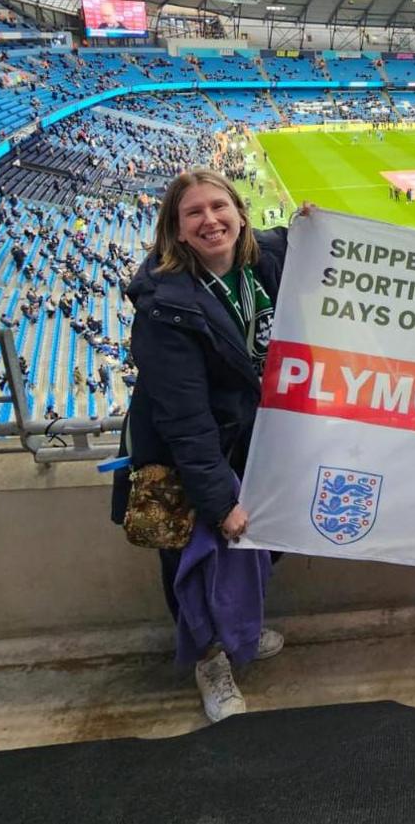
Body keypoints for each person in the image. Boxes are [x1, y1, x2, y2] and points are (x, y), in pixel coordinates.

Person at [111, 169, 291, 723]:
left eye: (219, 207)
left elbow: (292, 241)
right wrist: (218, 498)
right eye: (194, 213)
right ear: (178, 231)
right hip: (186, 450)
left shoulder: (257, 264)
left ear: (240, 214)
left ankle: (239, 626)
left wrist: (311, 224)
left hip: (250, 436)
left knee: (260, 545)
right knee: (193, 556)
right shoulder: (166, 306)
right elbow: (185, 419)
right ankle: (209, 660)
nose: (210, 220)